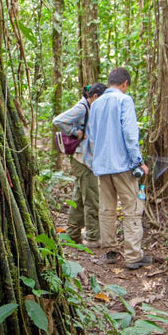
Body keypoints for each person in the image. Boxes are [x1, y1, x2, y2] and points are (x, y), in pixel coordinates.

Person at [87, 67, 151, 269]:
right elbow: (131, 135)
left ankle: (110, 252)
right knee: (132, 208)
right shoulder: (124, 100)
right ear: (125, 84)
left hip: (103, 166)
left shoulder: (96, 105)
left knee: (107, 209)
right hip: (123, 165)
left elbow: (92, 136)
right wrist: (138, 161)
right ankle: (133, 256)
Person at [53, 83, 107, 247]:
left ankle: (73, 234)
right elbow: (58, 120)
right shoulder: (82, 108)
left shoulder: (89, 108)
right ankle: (92, 237)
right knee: (92, 198)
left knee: (79, 198)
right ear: (95, 97)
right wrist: (75, 133)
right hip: (82, 161)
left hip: (84, 159)